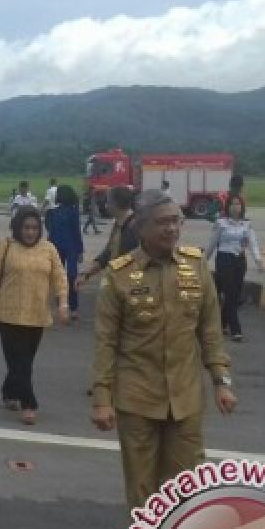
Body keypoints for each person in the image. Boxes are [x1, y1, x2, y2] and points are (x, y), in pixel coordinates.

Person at [92, 190, 236, 509]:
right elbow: (106, 342)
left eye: (176, 221)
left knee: (187, 489)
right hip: (137, 400)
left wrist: (221, 382)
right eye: (162, 223)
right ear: (141, 228)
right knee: (143, 490)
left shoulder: (196, 267)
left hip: (186, 399)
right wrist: (102, 399)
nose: (171, 229)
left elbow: (210, 331)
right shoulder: (119, 276)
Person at [0, 206, 69, 425]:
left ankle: (9, 391)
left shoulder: (48, 249)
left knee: (24, 361)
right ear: (18, 228)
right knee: (19, 361)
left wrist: (63, 304)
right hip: (8, 314)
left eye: (34, 228)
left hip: (36, 314)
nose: (30, 232)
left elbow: (60, 277)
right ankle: (29, 404)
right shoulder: (7, 246)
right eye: (26, 227)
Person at [205, 198, 263, 341]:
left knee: (236, 296)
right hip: (224, 260)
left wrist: (258, 259)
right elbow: (212, 244)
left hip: (239, 261)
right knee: (230, 294)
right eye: (232, 204)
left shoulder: (246, 224)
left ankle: (222, 323)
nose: (235, 207)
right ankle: (236, 330)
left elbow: (253, 243)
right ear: (227, 207)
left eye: (238, 204)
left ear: (242, 207)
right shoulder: (221, 223)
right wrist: (202, 261)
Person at [45, 184, 85, 320]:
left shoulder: (53, 213)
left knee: (59, 277)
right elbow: (76, 232)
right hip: (71, 247)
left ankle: (61, 305)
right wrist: (80, 250)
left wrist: (48, 249)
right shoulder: (73, 213)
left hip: (57, 247)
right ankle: (73, 308)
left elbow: (51, 233)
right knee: (72, 276)